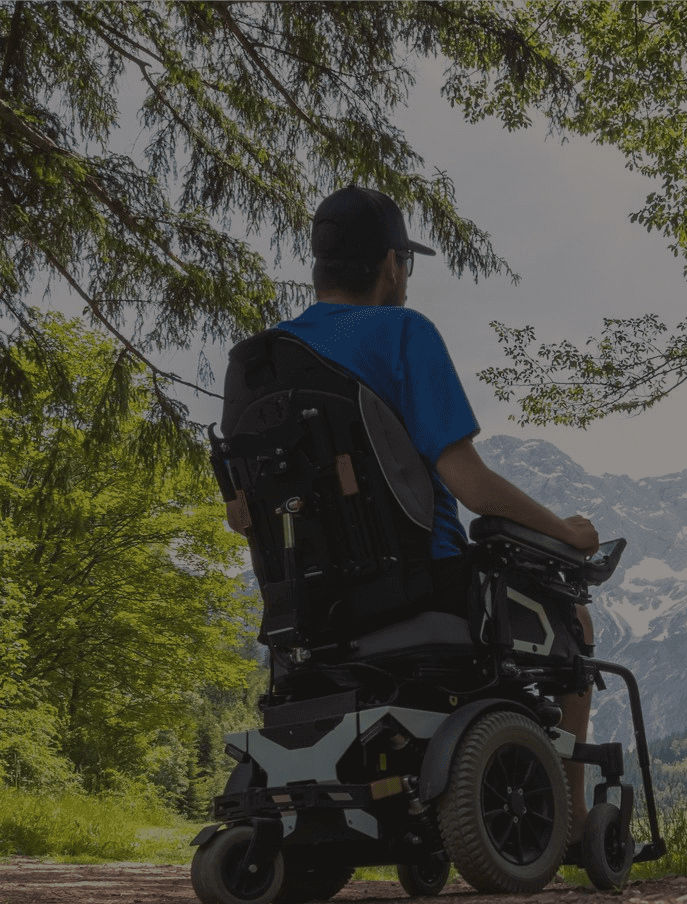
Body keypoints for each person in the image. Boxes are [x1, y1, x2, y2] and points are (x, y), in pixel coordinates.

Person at [246, 184, 601, 834]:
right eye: (404, 263)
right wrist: (566, 532)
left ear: (318, 265)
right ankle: (573, 815)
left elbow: (248, 509)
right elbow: (468, 483)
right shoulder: (404, 333)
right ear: (391, 264)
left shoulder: (260, 362)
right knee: (571, 618)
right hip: (416, 585)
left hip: (305, 605)